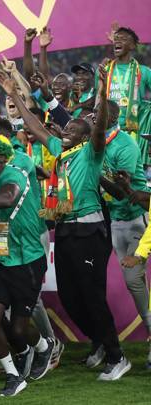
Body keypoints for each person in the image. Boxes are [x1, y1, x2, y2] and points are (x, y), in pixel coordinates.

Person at [0, 66, 132, 381]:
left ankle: (118, 357)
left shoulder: (90, 153)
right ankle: (100, 339)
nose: (64, 130)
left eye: (72, 128)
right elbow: (34, 123)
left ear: (84, 137)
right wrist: (14, 93)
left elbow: (98, 128)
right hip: (67, 229)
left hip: (90, 230)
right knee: (72, 297)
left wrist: (101, 90)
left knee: (92, 295)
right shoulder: (62, 151)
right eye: (66, 128)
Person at [0, 134, 55, 396]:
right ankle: (13, 376)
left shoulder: (13, 175)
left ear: (2, 158)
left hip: (27, 260)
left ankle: (42, 346)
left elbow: (6, 199)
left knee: (18, 328)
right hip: (0, 257)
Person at [96, 100, 151, 362]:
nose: (94, 116)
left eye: (99, 113)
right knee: (130, 283)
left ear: (113, 117)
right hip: (113, 220)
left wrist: (95, 174)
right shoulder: (96, 142)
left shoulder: (125, 145)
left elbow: (123, 192)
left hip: (134, 218)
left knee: (133, 281)